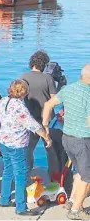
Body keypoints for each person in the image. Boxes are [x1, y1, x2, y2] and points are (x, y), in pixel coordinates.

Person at [0, 79, 52, 216]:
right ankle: (21, 207)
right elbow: (33, 125)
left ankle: (4, 199)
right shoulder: (20, 107)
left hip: (3, 140)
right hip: (17, 144)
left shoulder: (3, 100)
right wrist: (46, 137)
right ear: (24, 92)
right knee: (20, 175)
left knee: (8, 170)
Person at [42, 64, 90, 220]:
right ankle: (76, 211)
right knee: (87, 177)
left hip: (67, 138)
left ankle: (71, 201)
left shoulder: (68, 89)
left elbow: (48, 104)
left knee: (79, 173)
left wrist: (45, 125)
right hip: (84, 140)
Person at [20, 50, 57, 174]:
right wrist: (61, 85)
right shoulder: (48, 78)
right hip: (48, 120)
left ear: (32, 63)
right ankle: (54, 176)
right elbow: (54, 100)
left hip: (30, 119)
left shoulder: (23, 77)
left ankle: (26, 174)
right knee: (51, 150)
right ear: (44, 64)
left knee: (29, 149)